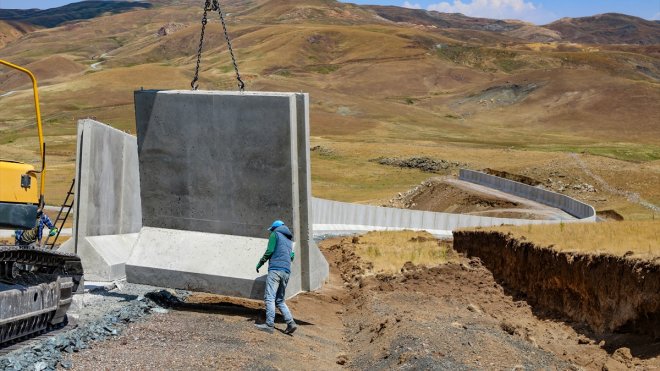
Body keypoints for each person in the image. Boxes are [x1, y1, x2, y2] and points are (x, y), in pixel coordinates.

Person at [254, 220, 297, 335]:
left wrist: (260, 263)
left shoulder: (275, 234)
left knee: (270, 297)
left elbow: (270, 251)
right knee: (280, 300)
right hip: (286, 272)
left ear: (275, 228)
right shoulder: (289, 240)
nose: (271, 231)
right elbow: (291, 256)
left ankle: (269, 325)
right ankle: (290, 323)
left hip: (276, 270)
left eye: (272, 229)